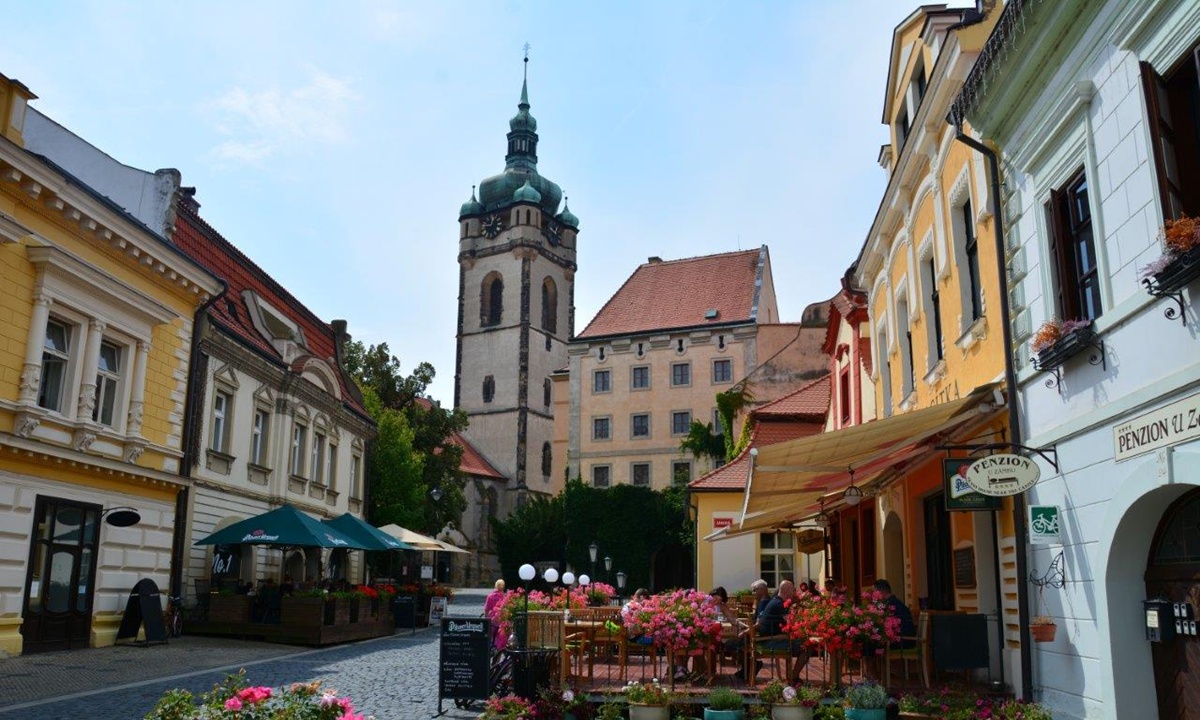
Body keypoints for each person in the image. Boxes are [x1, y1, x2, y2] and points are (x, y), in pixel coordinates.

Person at [484, 579, 506, 650]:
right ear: (503, 587)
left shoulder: (490, 596)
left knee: (489, 638)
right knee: (499, 640)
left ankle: (488, 654)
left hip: (492, 619)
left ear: (496, 586)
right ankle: (497, 658)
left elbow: (486, 609)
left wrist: (486, 620)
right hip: (501, 619)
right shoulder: (505, 596)